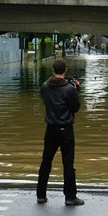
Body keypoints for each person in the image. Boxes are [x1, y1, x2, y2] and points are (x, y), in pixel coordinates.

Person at [37, 58, 84, 206]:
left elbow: (46, 101)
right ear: (65, 70)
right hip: (66, 129)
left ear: (53, 70)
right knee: (68, 163)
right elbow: (75, 107)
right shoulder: (69, 89)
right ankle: (70, 197)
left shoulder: (45, 86)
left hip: (50, 129)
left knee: (46, 161)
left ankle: (41, 195)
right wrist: (76, 89)